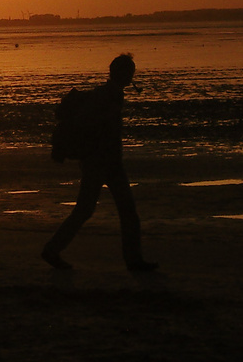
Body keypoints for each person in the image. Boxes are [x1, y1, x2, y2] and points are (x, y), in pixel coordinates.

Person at [41, 52, 157, 272]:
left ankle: (53, 250)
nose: (131, 76)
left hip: (106, 162)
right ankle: (133, 261)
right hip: (100, 162)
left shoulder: (111, 95)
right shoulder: (105, 96)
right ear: (120, 74)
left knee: (97, 210)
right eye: (129, 72)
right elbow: (88, 123)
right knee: (113, 211)